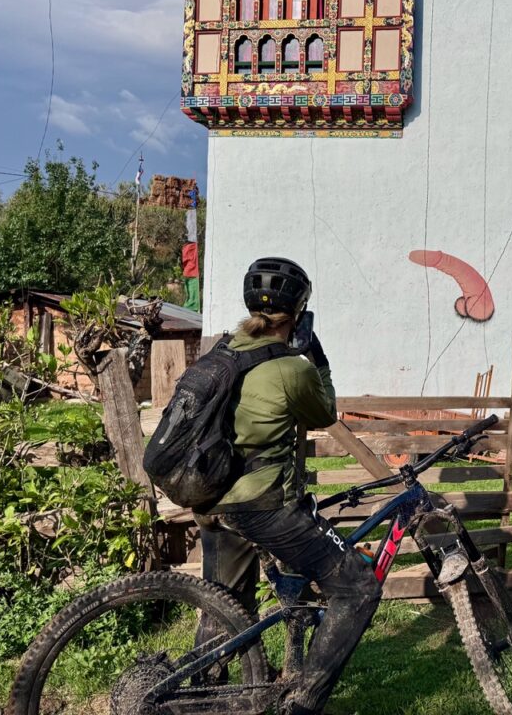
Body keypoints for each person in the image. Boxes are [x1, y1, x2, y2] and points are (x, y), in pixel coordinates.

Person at [194, 257, 381, 715]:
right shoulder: (291, 368)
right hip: (260, 505)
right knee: (358, 587)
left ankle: (195, 696)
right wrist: (317, 358)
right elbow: (324, 413)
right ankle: (300, 706)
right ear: (298, 312)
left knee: (225, 605)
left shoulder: (223, 352)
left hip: (210, 497)